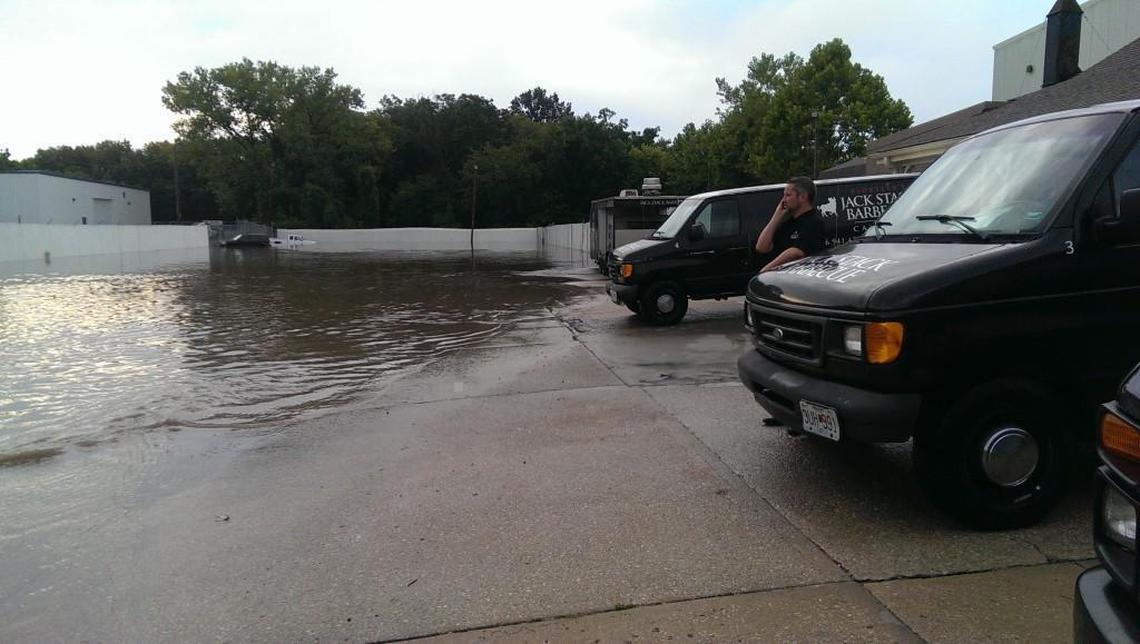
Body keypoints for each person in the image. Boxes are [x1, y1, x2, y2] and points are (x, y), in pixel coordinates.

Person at [754, 176, 826, 272]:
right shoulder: (789, 223)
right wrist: (776, 217)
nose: (783, 200)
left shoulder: (814, 222)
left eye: (788, 195)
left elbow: (795, 252)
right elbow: (761, 247)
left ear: (803, 197)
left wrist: (765, 271)